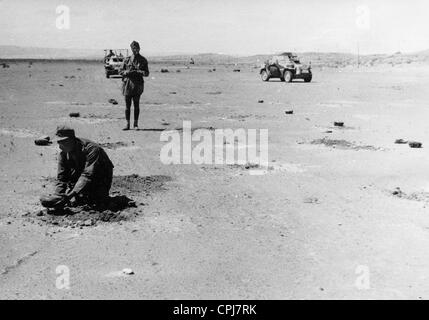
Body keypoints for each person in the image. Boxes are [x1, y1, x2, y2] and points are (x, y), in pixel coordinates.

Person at [40, 126, 114, 209]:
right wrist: (58, 196)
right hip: (83, 174)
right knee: (79, 199)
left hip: (101, 175)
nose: (60, 146)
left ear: (71, 140)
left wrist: (70, 196)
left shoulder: (92, 149)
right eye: (58, 142)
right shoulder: (64, 154)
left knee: (97, 201)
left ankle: (122, 200)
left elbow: (88, 175)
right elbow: (62, 178)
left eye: (62, 142)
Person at [120, 40, 150, 130]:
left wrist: (138, 72)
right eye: (133, 48)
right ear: (131, 49)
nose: (135, 49)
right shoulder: (127, 59)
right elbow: (120, 71)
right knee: (127, 106)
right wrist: (127, 72)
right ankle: (127, 124)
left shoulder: (143, 60)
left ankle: (136, 124)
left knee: (136, 105)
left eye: (136, 48)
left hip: (137, 85)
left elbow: (147, 73)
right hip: (127, 85)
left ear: (139, 48)